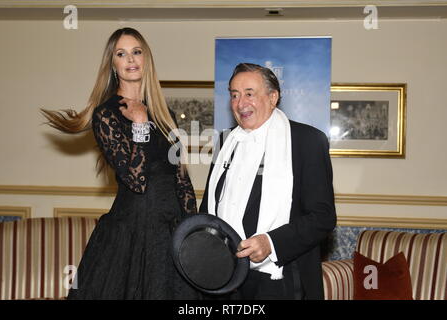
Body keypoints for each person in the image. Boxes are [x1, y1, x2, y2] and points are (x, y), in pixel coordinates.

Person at [41, 27, 199, 299]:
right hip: (132, 231)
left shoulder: (164, 112)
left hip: (171, 229)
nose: (130, 59)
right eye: (121, 54)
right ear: (113, 64)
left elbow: (181, 178)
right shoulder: (106, 114)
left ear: (146, 59)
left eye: (136, 52)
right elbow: (135, 180)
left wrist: (193, 228)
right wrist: (139, 124)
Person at [200, 63, 336, 300]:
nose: (241, 103)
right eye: (234, 95)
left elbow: (323, 217)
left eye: (249, 94)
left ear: (273, 97)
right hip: (226, 278)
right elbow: (209, 209)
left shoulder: (307, 141)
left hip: (282, 279)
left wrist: (271, 243)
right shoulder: (224, 143)